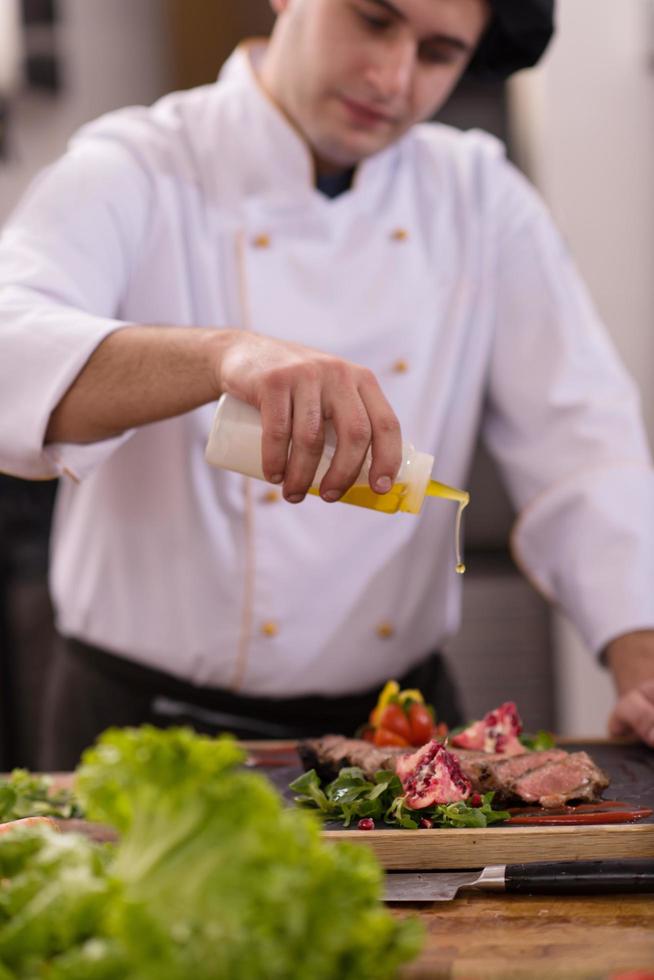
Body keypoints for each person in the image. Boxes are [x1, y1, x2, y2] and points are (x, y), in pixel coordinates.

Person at [0, 0, 653, 770]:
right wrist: (221, 357)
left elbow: (584, 449)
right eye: (373, 20)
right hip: (148, 728)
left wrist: (640, 659)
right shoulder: (136, 163)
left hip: (398, 726)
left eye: (439, 53)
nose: (393, 77)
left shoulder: (480, 196)